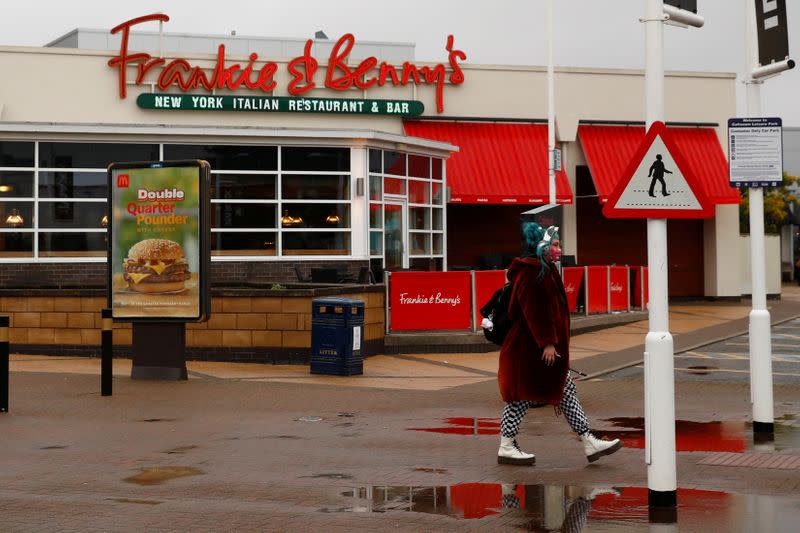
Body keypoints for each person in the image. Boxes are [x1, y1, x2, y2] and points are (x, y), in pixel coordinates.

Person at [496, 222, 623, 465]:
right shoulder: (532, 272)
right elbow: (535, 311)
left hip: (537, 349)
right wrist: (547, 343)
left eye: (559, 244)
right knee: (521, 396)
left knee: (562, 388)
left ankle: (588, 440)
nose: (559, 248)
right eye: (554, 244)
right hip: (530, 350)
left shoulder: (544, 269)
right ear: (540, 245)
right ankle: (507, 445)